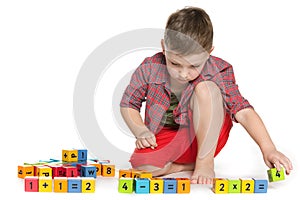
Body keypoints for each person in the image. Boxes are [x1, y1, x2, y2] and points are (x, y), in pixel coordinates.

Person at [119, 6, 293, 184]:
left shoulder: (219, 70)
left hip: (208, 134)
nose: (183, 74)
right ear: (164, 47)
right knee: (142, 166)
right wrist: (140, 130)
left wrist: (269, 148)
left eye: (193, 66)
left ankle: (204, 162)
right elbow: (128, 104)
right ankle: (180, 166)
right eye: (175, 63)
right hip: (170, 136)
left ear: (208, 53)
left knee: (206, 88)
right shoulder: (149, 68)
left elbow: (244, 112)